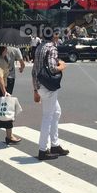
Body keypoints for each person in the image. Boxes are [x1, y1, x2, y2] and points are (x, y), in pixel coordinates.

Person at [32, 28, 69, 161]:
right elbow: (53, 68)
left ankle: (55, 144)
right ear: (53, 36)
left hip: (41, 86)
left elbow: (34, 71)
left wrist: (35, 90)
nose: (58, 38)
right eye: (57, 35)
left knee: (56, 112)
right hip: (49, 87)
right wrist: (62, 66)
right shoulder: (52, 48)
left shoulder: (39, 47)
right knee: (48, 116)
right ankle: (43, 149)